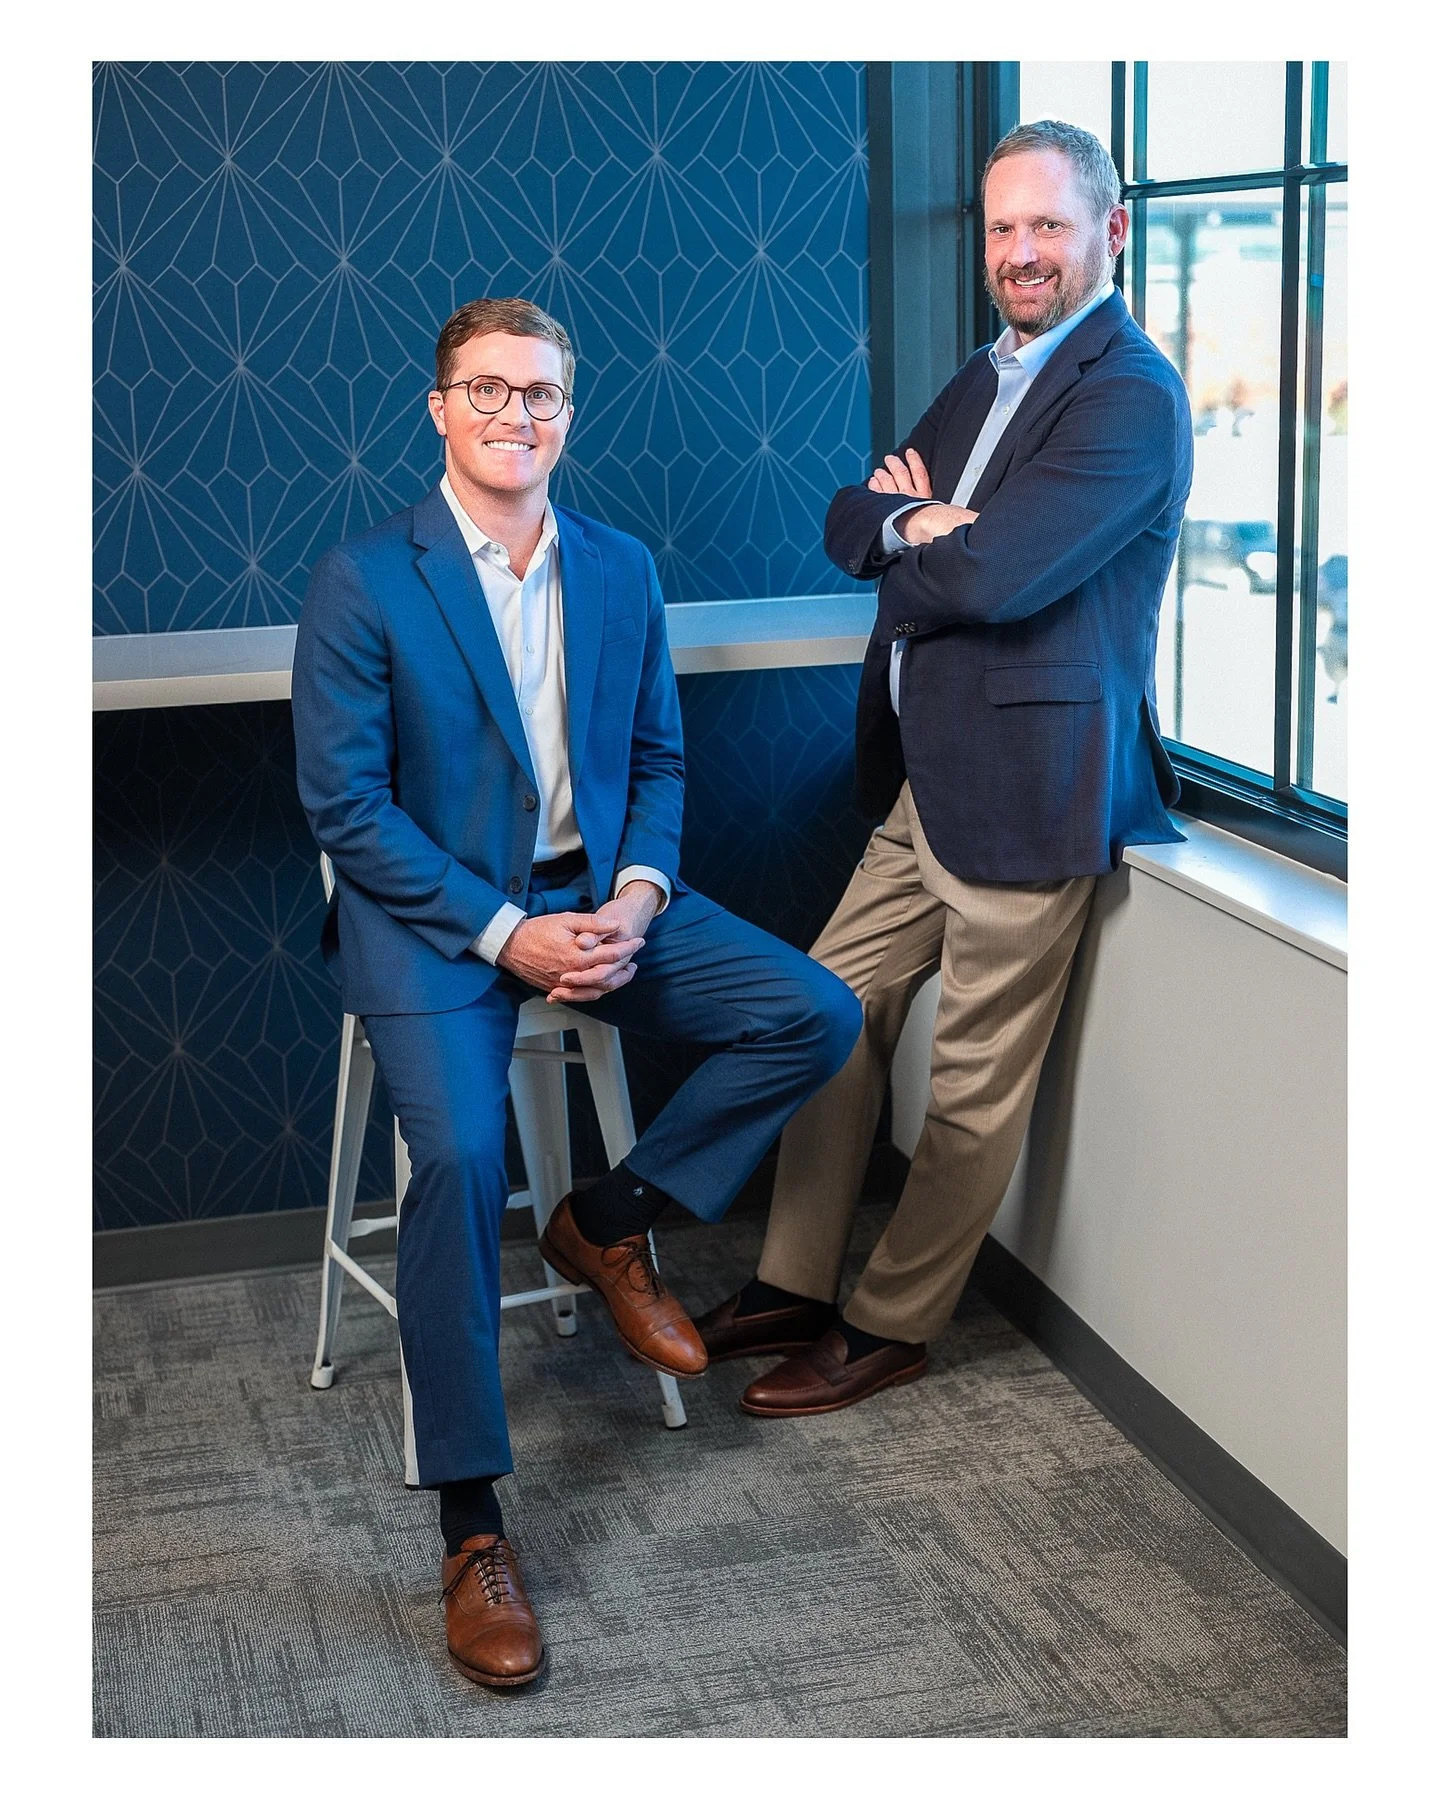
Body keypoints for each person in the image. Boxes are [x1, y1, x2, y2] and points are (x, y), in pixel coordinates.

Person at [291, 297, 860, 1688]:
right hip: (439, 927)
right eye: (486, 391)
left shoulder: (618, 569)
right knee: (463, 1158)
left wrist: (637, 898)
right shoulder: (367, 579)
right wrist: (508, 936)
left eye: (539, 394)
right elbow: (347, 812)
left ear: (569, 410)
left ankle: (607, 1221)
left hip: (598, 900)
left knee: (817, 1013)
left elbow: (659, 763)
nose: (514, 417)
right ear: (438, 408)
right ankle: (474, 1528)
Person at [696, 120, 1193, 1417]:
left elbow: (1004, 569)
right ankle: (797, 1282)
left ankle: (891, 1322)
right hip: (927, 783)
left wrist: (922, 535)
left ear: (1111, 232)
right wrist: (919, 516)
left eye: (1048, 226)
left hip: (1032, 790)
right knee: (823, 1013)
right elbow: (849, 516)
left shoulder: (1130, 395)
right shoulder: (988, 375)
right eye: (1003, 228)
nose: (1021, 252)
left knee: (972, 1092)